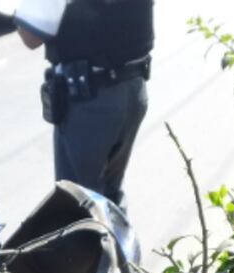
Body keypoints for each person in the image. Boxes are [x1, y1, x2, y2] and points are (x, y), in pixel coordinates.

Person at [14, 0, 154, 208]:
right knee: (110, 199)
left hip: (91, 102)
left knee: (78, 208)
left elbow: (31, 35)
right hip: (133, 88)